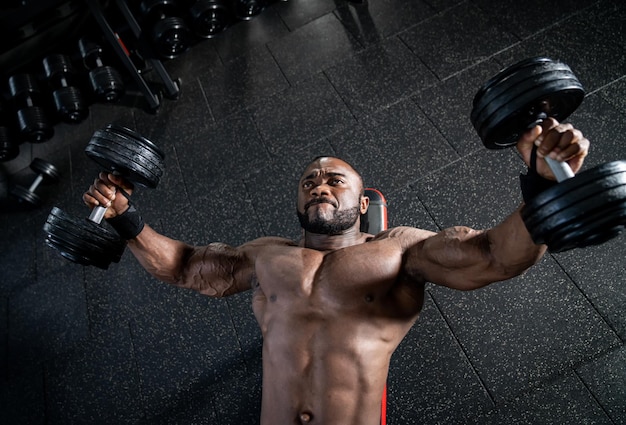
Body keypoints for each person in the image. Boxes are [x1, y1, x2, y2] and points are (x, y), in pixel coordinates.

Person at [84, 118, 589, 425]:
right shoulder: (266, 255)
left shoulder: (399, 250)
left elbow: (497, 257)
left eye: (335, 180)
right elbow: (186, 268)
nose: (320, 185)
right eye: (309, 181)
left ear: (362, 198)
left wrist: (542, 186)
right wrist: (127, 219)